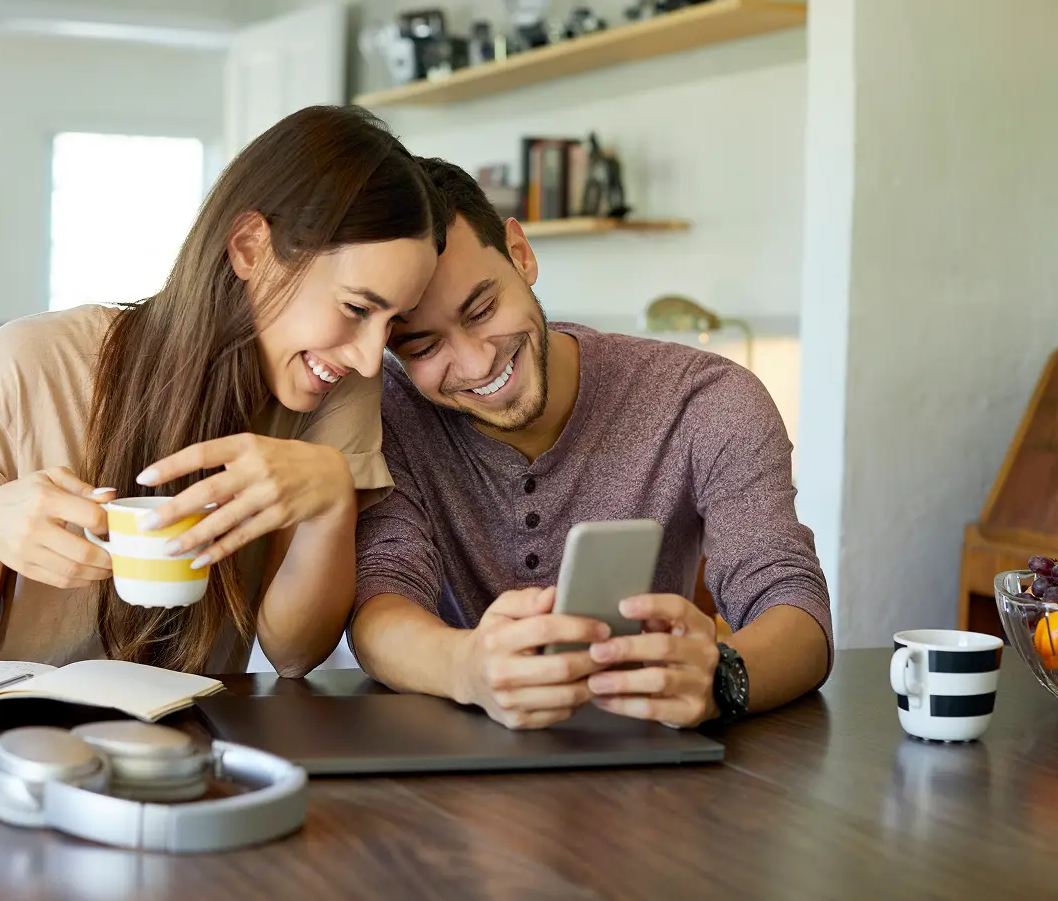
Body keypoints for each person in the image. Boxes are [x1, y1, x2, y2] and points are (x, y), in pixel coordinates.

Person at [0, 106, 441, 678]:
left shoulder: (337, 387)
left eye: (392, 323)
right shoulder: (26, 365)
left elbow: (294, 654)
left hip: (193, 747)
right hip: (13, 744)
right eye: (357, 307)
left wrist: (328, 505)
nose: (367, 354)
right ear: (251, 247)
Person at [349, 158, 832, 729]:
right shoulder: (387, 419)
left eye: (482, 309)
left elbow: (795, 606)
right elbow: (379, 602)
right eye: (423, 347)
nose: (477, 363)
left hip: (646, 767)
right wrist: (466, 667)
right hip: (449, 770)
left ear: (521, 254)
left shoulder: (705, 399)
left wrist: (723, 676)